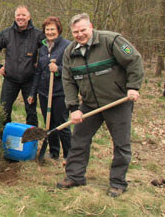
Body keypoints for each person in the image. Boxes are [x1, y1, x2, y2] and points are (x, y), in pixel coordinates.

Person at [57, 13, 144, 197]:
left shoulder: (112, 41)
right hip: (89, 104)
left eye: (83, 30)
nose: (80, 34)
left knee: (121, 144)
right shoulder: (69, 52)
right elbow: (68, 81)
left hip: (118, 102)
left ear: (91, 27)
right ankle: (75, 176)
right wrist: (73, 108)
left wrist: (133, 87)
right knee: (79, 140)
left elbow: (134, 60)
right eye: (75, 32)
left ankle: (117, 183)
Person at [0, 5, 44, 128]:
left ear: (29, 17)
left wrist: (40, 66)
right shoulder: (6, 34)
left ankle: (32, 139)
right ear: (15, 17)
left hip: (29, 81)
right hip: (10, 79)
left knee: (31, 112)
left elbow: (49, 50)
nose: (20, 17)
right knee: (4, 110)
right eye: (18, 15)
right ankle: (4, 136)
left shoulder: (38, 35)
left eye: (23, 15)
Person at [28, 16, 71, 161]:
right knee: (49, 122)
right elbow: (38, 72)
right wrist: (33, 92)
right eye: (47, 29)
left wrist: (58, 68)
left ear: (58, 30)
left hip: (60, 91)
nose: (50, 32)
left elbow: (73, 69)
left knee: (62, 123)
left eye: (52, 29)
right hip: (44, 91)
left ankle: (69, 155)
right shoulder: (42, 47)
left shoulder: (67, 46)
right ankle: (54, 151)